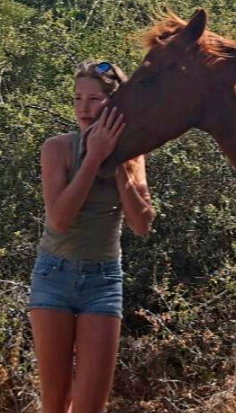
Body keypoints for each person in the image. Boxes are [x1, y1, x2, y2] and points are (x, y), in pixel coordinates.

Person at [29, 60, 155, 413]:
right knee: (54, 404)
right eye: (77, 99)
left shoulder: (134, 156)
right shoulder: (57, 148)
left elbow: (141, 224)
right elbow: (60, 219)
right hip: (54, 276)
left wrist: (118, 164)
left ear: (114, 104)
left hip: (103, 281)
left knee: (90, 407)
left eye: (95, 100)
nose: (84, 109)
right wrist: (93, 156)